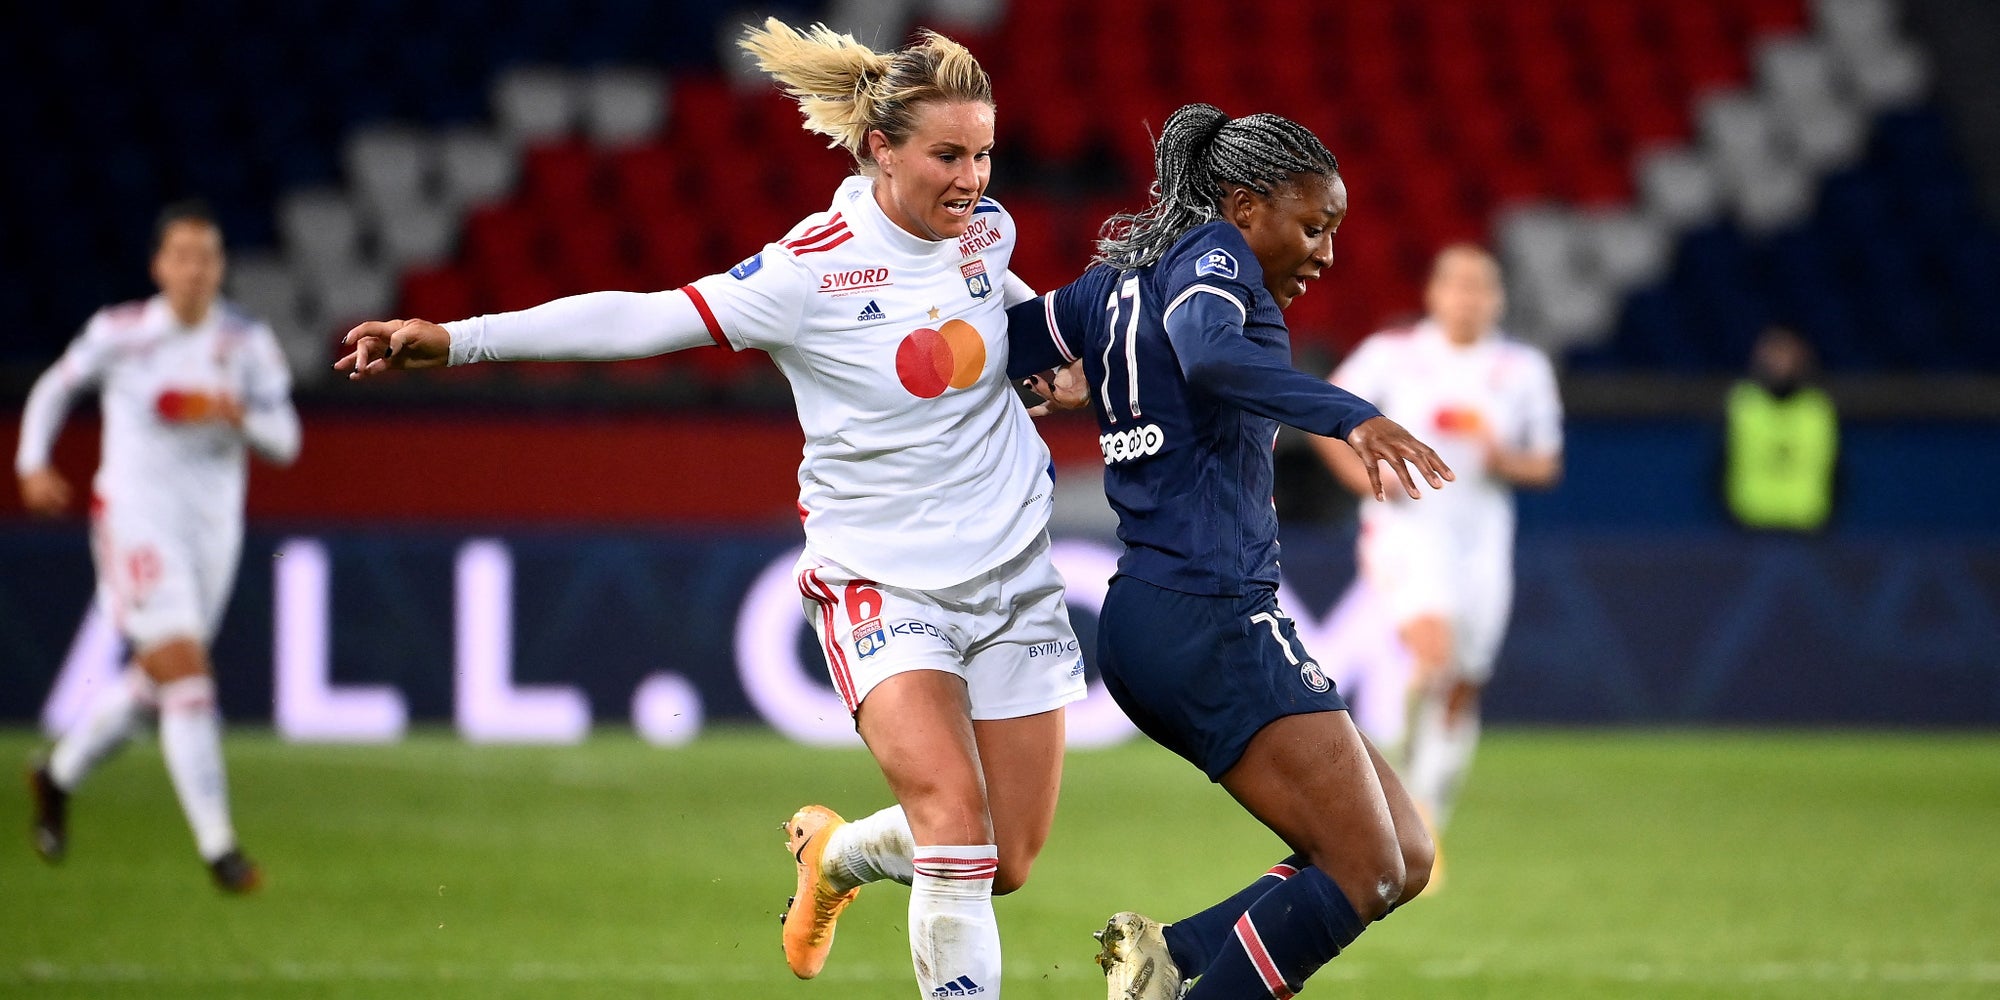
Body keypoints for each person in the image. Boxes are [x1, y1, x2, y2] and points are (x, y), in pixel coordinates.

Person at [335, 20, 1084, 998]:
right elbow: (640, 315)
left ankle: (840, 857)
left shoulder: (980, 233)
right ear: (880, 149)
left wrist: (1046, 360)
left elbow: (1002, 309)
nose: (972, 177)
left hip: (1010, 574)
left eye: (983, 153)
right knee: (951, 819)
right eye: (948, 154)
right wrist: (461, 338)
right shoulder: (808, 271)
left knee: (1008, 855)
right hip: (880, 578)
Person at [1005, 104, 1452, 1000]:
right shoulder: (1215, 258)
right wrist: (1349, 412)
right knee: (1364, 870)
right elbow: (1208, 355)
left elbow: (1004, 348)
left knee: (1402, 852)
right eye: (1314, 225)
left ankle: (1166, 958)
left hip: (1158, 616)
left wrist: (1069, 379)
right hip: (1210, 611)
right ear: (1245, 207)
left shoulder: (1108, 288)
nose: (1326, 253)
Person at [18, 200, 300, 893]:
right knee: (186, 672)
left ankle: (56, 776)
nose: (195, 270)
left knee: (158, 687)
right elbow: (55, 388)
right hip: (136, 520)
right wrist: (32, 462)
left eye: (207, 257)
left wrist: (241, 418)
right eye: (182, 256)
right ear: (159, 266)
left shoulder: (246, 344)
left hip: (213, 533)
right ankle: (219, 848)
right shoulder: (121, 334)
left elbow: (287, 443)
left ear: (221, 266)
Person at [1311, 244, 1563, 882]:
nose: (1469, 298)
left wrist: (1503, 458)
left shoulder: (1521, 368)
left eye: (1482, 287)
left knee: (1460, 683)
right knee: (1432, 653)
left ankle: (1426, 818)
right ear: (1435, 293)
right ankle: (1385, 810)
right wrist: (1366, 477)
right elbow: (1321, 419)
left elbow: (1546, 463)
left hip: (1480, 544)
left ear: (1498, 298)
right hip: (1406, 532)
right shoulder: (1394, 355)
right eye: (1458, 285)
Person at [1723, 325, 1837, 532]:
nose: (1779, 362)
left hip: (1808, 529)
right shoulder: (1743, 404)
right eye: (1773, 352)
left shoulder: (1817, 408)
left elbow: (1837, 470)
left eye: (1785, 353)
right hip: (1748, 528)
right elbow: (1720, 463)